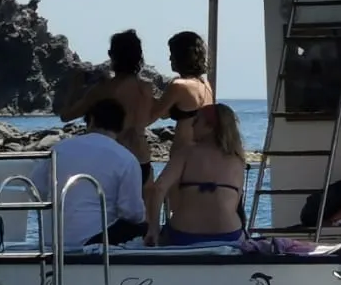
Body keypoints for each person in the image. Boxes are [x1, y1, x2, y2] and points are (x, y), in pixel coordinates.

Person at [30, 98, 147, 248]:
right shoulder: (127, 159)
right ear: (121, 126)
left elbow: (35, 187)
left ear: (91, 120)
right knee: (142, 226)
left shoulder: (59, 149)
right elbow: (133, 213)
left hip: (52, 237)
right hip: (95, 240)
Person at [57, 29, 158, 180]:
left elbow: (66, 115)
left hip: (116, 157)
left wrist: (75, 86)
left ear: (112, 55)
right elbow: (160, 113)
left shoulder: (104, 89)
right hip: (142, 157)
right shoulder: (147, 88)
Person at [145, 103, 248, 246]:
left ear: (210, 126)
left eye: (196, 121)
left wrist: (153, 229)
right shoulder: (237, 160)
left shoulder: (186, 153)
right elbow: (234, 202)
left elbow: (159, 188)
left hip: (185, 234)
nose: (191, 126)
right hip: (228, 235)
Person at [149, 30, 215, 128]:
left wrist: (145, 93)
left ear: (181, 56)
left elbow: (155, 114)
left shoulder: (178, 85)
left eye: (172, 54)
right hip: (199, 141)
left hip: (183, 142)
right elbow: (167, 113)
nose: (170, 58)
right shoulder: (205, 83)